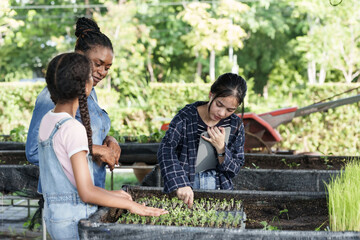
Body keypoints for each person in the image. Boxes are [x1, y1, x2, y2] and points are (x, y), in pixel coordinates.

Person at [39, 52, 167, 240]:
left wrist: (112, 194)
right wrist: (132, 206)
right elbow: (86, 192)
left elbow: (71, 184)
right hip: (74, 220)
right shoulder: (73, 129)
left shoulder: (48, 120)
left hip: (55, 217)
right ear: (85, 85)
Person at [26, 17, 119, 190]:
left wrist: (109, 140)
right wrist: (96, 149)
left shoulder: (90, 93)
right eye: (98, 64)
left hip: (93, 191)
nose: (102, 72)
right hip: (63, 198)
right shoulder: (52, 95)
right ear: (79, 56)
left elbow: (87, 134)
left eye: (107, 68)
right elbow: (34, 151)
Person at [157, 73, 247, 208]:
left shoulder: (235, 125)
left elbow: (234, 168)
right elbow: (166, 150)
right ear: (211, 94)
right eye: (219, 104)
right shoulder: (186, 117)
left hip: (218, 190)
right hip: (186, 187)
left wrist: (221, 148)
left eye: (230, 110)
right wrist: (180, 183)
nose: (222, 113)